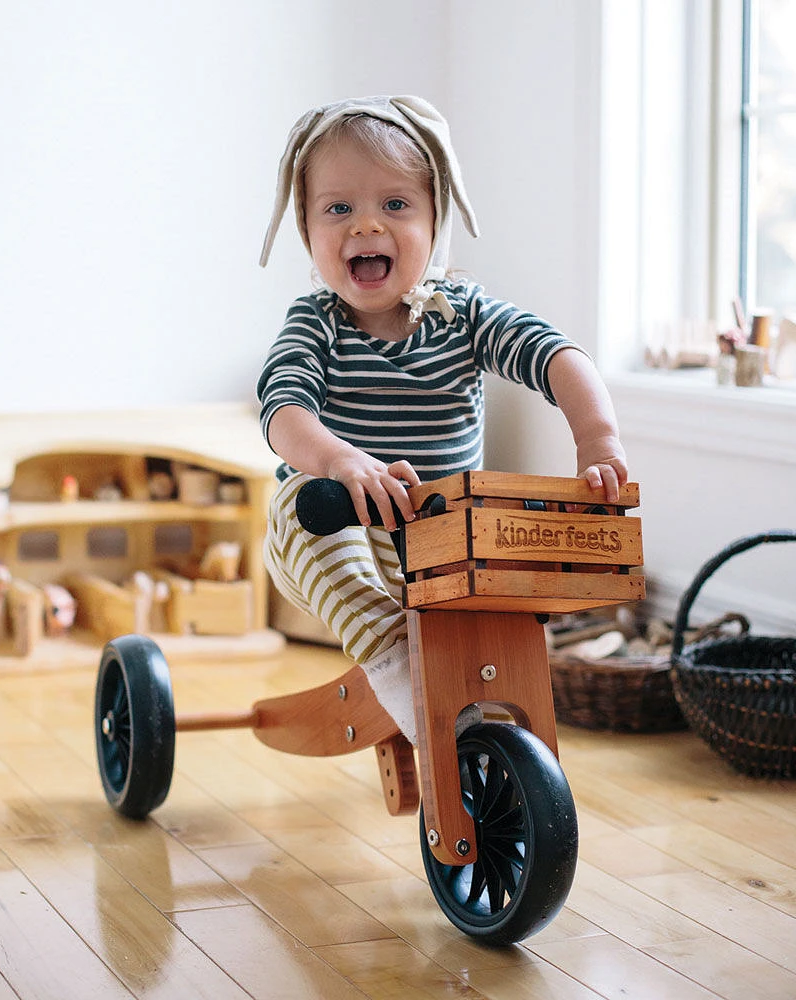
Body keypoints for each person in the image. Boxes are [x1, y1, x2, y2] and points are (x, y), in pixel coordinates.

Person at [256, 95, 628, 744]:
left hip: (436, 544)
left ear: (436, 219)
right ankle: (397, 659)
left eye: (395, 205)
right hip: (333, 522)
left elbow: (559, 357)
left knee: (506, 535)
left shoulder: (463, 314)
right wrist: (340, 460)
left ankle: (496, 716)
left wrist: (598, 442)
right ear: (307, 229)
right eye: (339, 208)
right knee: (297, 508)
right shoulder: (315, 322)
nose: (367, 226)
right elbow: (283, 412)